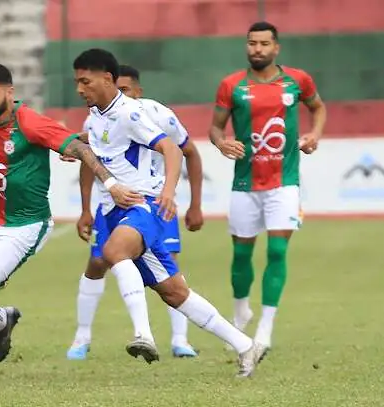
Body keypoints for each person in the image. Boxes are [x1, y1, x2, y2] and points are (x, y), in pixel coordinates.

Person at [0, 63, 143, 382]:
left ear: (10, 92)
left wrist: (113, 184)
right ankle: (1, 319)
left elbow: (81, 148)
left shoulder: (31, 123)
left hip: (23, 227)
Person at [73, 48, 262, 377]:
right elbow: (101, 146)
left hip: (142, 205)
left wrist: (168, 192)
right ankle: (246, 345)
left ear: (106, 79)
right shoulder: (96, 116)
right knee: (176, 293)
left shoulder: (130, 113)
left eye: (85, 81)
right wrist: (80, 145)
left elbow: (172, 148)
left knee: (113, 252)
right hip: (115, 209)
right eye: (77, 82)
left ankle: (143, 334)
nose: (79, 89)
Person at [66, 64, 204, 360]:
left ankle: (179, 339)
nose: (120, 94)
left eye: (126, 89)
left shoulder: (157, 114)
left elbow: (187, 151)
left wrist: (193, 203)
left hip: (153, 201)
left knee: (169, 269)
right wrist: (85, 209)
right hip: (114, 204)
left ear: (137, 91)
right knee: (97, 262)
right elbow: (90, 163)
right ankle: (82, 337)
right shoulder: (97, 118)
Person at [209, 22, 327, 357]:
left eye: (263, 44)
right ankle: (241, 309)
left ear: (276, 48)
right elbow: (215, 128)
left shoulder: (297, 81)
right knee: (242, 255)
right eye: (251, 43)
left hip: (284, 183)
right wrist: (222, 144)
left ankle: (265, 327)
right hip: (245, 183)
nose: (257, 49)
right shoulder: (231, 85)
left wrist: (315, 134)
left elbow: (318, 107)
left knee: (277, 252)